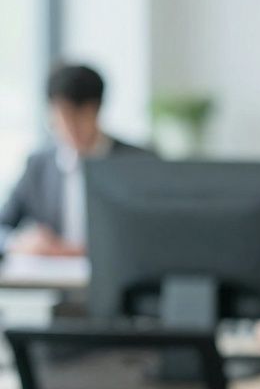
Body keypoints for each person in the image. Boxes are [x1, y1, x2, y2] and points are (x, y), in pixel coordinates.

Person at [0, 63, 152, 256]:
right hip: (55, 281)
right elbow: (2, 227)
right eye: (64, 114)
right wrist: (19, 242)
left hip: (119, 281)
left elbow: (154, 232)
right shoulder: (38, 166)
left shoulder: (137, 162)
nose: (72, 126)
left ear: (97, 110)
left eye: (81, 115)